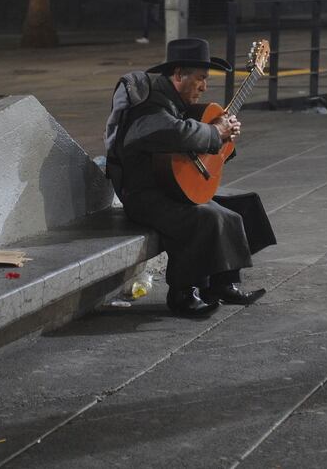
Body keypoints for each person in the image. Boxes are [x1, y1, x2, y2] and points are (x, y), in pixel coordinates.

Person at [105, 38, 276, 317]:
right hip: (144, 194)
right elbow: (170, 131)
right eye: (200, 79)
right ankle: (183, 294)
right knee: (208, 218)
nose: (204, 87)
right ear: (178, 75)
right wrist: (214, 133)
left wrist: (224, 138)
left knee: (240, 209)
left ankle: (222, 284)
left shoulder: (178, 101)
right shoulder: (149, 101)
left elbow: (195, 147)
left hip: (169, 186)